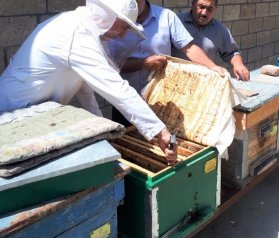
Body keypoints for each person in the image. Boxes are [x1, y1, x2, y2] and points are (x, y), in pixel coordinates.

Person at [0, 0, 177, 164]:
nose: (123, 34)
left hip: (33, 116)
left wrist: (102, 131)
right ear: (106, 16)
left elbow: (85, 90)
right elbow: (117, 88)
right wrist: (159, 131)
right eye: (123, 26)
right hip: (11, 115)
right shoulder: (76, 34)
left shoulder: (84, 30)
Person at [109, 0, 228, 94]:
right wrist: (143, 63)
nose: (131, 5)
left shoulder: (167, 17)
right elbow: (110, 64)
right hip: (125, 96)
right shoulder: (115, 20)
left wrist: (212, 66)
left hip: (159, 96)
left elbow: (189, 48)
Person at [172, 0, 250, 81]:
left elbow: (232, 53)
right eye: (201, 7)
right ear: (193, 4)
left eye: (210, 9)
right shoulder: (175, 21)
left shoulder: (220, 30)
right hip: (174, 79)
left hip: (204, 82)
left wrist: (238, 64)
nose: (204, 13)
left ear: (215, 9)